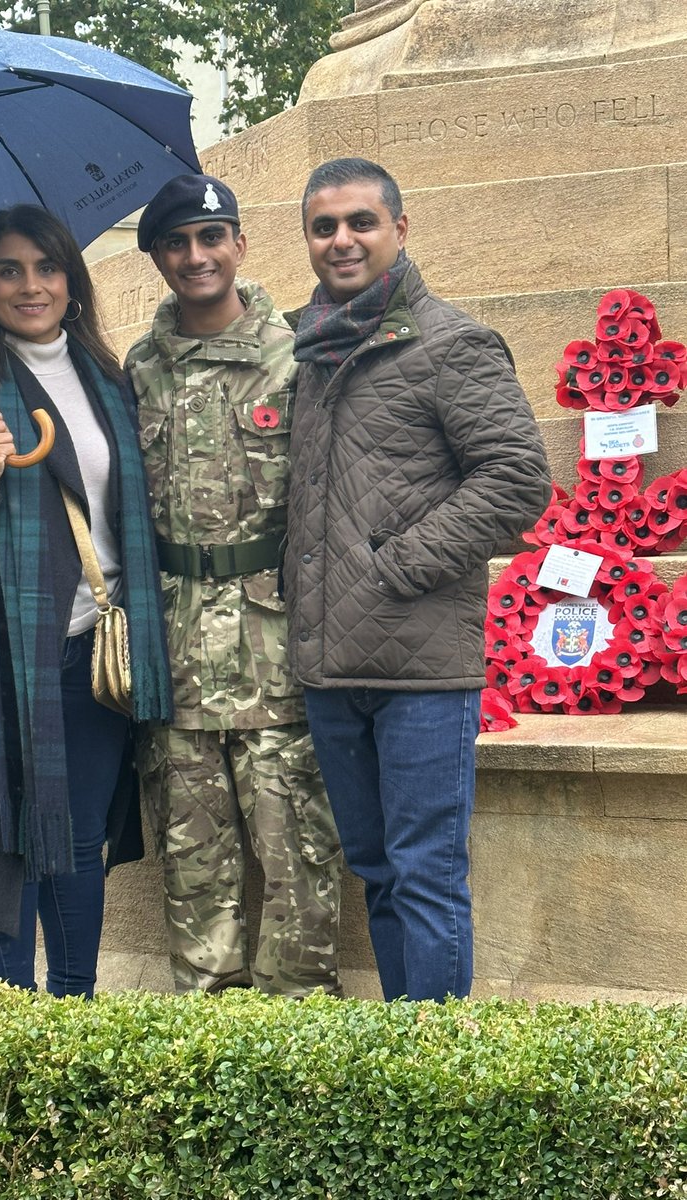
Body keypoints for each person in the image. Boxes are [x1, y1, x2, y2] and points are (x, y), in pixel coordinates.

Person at [284, 158, 552, 1002]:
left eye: (361, 221)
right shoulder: (300, 349)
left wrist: (397, 563)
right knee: (375, 869)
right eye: (325, 227)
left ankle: (437, 1074)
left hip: (423, 670)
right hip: (330, 670)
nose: (342, 240)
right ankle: (399, 1061)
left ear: (401, 229)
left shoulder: (451, 342)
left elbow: (517, 478)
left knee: (426, 875)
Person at [0, 204, 172, 998]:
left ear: (72, 283)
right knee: (2, 843)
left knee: (79, 840)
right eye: (9, 269)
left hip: (94, 648)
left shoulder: (109, 382)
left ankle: (71, 1008)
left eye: (46, 267)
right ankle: (14, 1022)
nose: (31, 285)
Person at [126, 173, 342, 997]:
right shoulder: (140, 372)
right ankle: (208, 1048)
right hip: (176, 656)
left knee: (301, 867)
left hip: (277, 650)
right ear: (156, 258)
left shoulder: (298, 357)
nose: (195, 256)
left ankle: (307, 1048)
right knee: (191, 868)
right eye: (176, 243)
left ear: (241, 246)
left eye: (210, 238)